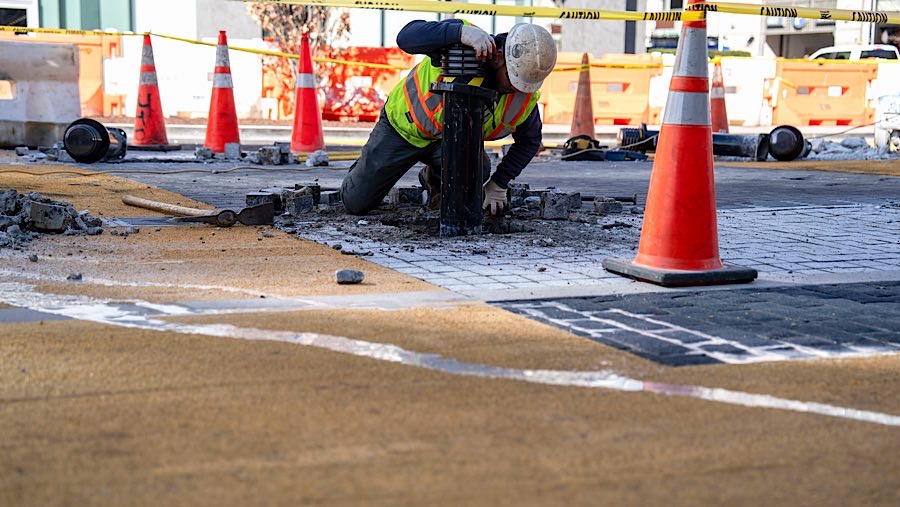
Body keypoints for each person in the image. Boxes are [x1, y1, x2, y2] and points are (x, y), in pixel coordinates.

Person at [340, 19, 557, 216]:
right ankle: (365, 168)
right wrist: (458, 33)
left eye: (524, 85)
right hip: (403, 130)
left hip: (448, 144)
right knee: (356, 202)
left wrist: (499, 184)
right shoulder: (463, 47)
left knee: (478, 169)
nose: (516, 89)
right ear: (500, 58)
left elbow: (530, 141)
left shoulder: (522, 95)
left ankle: (433, 178)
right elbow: (406, 37)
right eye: (512, 80)